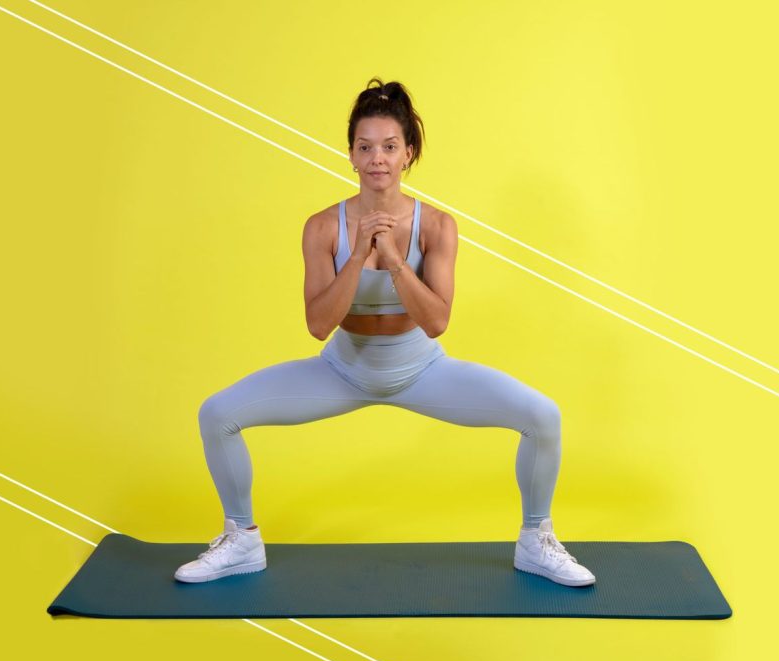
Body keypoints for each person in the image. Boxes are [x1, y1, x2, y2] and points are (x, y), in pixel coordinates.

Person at [175, 78, 595, 587]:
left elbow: (437, 321)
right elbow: (318, 325)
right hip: (342, 371)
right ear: (351, 155)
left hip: (421, 370)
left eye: (390, 147)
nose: (377, 158)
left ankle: (536, 541)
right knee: (218, 414)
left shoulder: (437, 227)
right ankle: (241, 538)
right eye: (366, 147)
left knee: (543, 417)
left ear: (408, 154)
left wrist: (394, 258)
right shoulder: (322, 228)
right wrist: (357, 255)